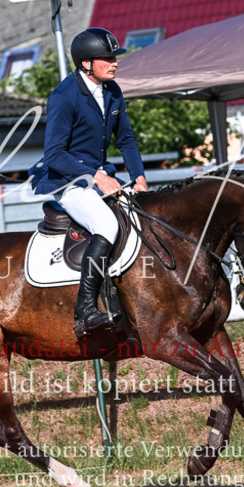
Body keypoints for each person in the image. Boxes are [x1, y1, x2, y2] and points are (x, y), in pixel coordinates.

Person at [29, 27, 148, 339]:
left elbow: (127, 140)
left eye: (114, 57)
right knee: (107, 227)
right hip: (67, 179)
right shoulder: (64, 96)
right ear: (86, 64)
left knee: (140, 218)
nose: (114, 62)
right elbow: (54, 154)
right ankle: (85, 310)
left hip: (100, 176)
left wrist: (139, 178)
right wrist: (95, 177)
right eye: (107, 58)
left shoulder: (113, 92)